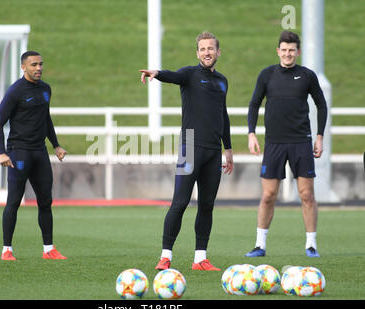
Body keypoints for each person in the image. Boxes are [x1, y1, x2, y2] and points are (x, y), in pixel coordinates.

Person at [139, 31, 234, 271]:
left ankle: (200, 259)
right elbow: (173, 76)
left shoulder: (223, 81)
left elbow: (223, 116)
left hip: (214, 151)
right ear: (197, 53)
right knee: (179, 203)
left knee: (207, 206)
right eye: (202, 49)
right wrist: (156, 74)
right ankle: (165, 256)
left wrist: (229, 149)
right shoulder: (190, 75)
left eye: (211, 48)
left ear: (218, 51)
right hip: (189, 147)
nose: (207, 53)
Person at [245, 30, 327, 258]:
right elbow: (254, 104)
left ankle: (311, 245)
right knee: (268, 195)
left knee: (306, 194)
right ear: (278, 51)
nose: (288, 54)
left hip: (301, 142)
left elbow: (321, 105)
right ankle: (259, 245)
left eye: (292, 50)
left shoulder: (308, 76)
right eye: (284, 49)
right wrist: (251, 133)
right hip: (274, 143)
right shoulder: (267, 74)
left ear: (298, 52)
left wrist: (319, 136)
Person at [0, 51, 67, 260]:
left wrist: (56, 145)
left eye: (41, 64)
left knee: (45, 201)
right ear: (24, 67)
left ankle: (48, 249)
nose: (39, 68)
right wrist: (2, 152)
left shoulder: (45, 89)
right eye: (34, 65)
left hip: (40, 152)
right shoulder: (15, 91)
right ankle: (7, 250)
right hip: (19, 152)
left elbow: (46, 118)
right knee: (14, 201)